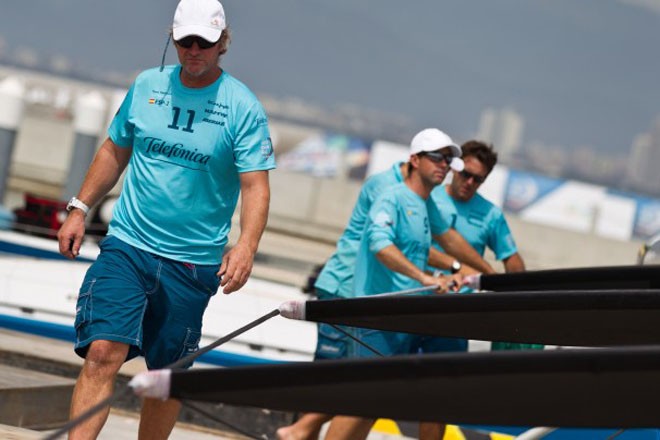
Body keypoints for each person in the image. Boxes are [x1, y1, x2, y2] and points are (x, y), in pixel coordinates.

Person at [56, 0, 275, 438]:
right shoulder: (146, 85)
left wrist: (246, 246)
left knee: (164, 378)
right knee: (102, 352)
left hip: (192, 263)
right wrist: (78, 208)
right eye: (184, 40)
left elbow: (255, 185)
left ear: (222, 43)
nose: (193, 50)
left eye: (204, 42)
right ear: (172, 38)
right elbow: (115, 149)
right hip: (128, 246)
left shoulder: (242, 106)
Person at [277, 129, 495, 440]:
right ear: (415, 159)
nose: (446, 165)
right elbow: (381, 243)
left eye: (449, 160)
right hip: (353, 297)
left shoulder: (421, 200)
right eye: (438, 157)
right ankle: (296, 432)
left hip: (390, 310)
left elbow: (443, 241)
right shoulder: (389, 191)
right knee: (350, 393)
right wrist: (425, 278)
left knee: (367, 398)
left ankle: (299, 432)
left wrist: (486, 275)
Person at [430, 140, 541, 353]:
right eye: (466, 174)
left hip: (456, 314)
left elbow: (511, 259)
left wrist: (520, 296)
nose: (470, 182)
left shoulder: (491, 214)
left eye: (478, 179)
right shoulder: (429, 197)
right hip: (415, 300)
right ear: (455, 168)